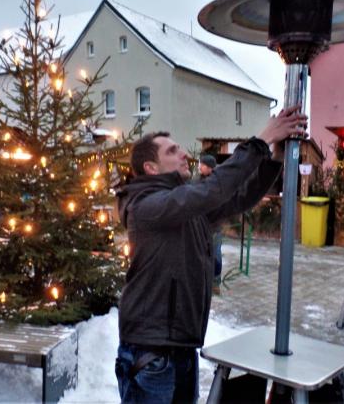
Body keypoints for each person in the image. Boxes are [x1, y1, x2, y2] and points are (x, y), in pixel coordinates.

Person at [114, 105, 308, 403]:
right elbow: (213, 189)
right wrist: (261, 139)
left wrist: (276, 158)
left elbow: (240, 196)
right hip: (150, 352)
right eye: (173, 151)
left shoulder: (182, 204)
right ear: (151, 168)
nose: (184, 154)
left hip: (180, 346)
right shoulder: (146, 206)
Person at [197, 154, 223, 295]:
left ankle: (215, 282)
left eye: (203, 165)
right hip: (200, 226)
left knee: (216, 255)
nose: (200, 167)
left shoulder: (217, 183)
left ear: (210, 167)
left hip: (214, 226)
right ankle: (201, 281)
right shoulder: (199, 182)